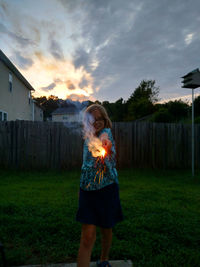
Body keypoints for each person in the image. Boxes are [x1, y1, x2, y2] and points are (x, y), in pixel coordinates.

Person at [76, 104, 124, 267]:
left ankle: (104, 259)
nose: (96, 122)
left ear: (105, 120)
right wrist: (80, 189)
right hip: (87, 191)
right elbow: (84, 165)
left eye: (99, 119)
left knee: (106, 227)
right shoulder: (87, 137)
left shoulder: (106, 134)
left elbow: (107, 145)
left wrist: (106, 148)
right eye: (92, 119)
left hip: (106, 189)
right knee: (88, 237)